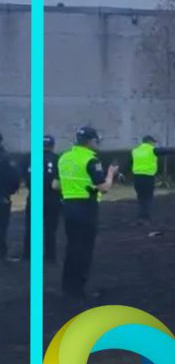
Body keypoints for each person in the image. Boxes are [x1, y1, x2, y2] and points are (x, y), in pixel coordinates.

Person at [58, 126, 118, 300]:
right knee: (84, 249)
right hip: (86, 207)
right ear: (90, 141)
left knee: (72, 247)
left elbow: (56, 184)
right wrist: (111, 173)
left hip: (68, 206)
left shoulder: (64, 157)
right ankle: (79, 289)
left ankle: (67, 286)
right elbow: (104, 187)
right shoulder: (91, 160)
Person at [130, 135, 175, 223]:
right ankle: (144, 218)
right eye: (153, 142)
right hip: (148, 177)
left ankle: (141, 216)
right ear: (149, 141)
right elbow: (166, 151)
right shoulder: (152, 150)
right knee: (147, 198)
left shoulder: (135, 150)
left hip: (137, 177)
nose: (154, 144)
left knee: (141, 197)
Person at [21, 135, 61, 264]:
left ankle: (28, 255)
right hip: (52, 197)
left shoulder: (29, 158)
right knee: (50, 229)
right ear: (52, 146)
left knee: (32, 227)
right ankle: (50, 256)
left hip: (34, 196)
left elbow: (26, 178)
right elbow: (58, 181)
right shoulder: (57, 159)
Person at [0, 134, 19, 261]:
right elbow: (13, 178)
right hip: (2, 197)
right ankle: (1, 254)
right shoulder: (5, 157)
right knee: (2, 227)